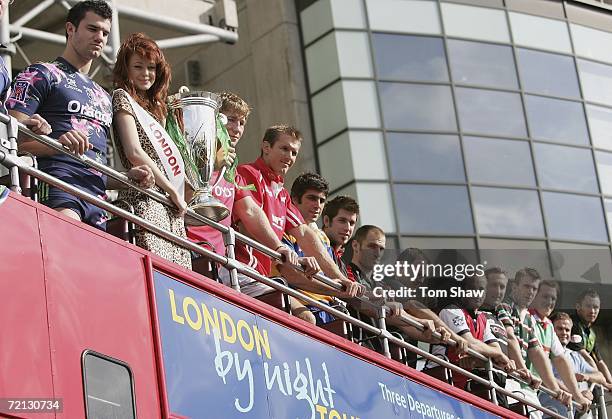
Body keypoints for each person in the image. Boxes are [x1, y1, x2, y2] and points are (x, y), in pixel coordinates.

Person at [8, 0, 154, 229]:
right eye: (92, 29)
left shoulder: (105, 97)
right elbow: (8, 139)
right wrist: (55, 144)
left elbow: (95, 168)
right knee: (65, 248)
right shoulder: (40, 73)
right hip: (56, 188)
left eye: (105, 33)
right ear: (70, 29)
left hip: (98, 202)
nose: (100, 38)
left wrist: (126, 179)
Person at [233, 125, 363, 303]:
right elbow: (248, 218)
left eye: (294, 153)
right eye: (284, 149)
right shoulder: (247, 173)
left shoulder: (282, 194)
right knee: (303, 317)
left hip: (261, 276)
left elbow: (304, 233)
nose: (289, 157)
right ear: (266, 147)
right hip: (240, 269)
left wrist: (340, 278)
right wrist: (280, 248)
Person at [111, 32, 191, 268]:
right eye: (138, 66)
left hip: (171, 209)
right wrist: (171, 190)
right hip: (146, 198)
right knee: (155, 271)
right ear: (125, 68)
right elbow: (134, 152)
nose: (146, 74)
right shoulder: (121, 98)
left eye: (151, 67)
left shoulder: (159, 109)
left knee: (178, 281)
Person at [347, 225, 451, 345]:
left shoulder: (382, 285)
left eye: (381, 249)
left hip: (379, 354)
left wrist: (433, 335)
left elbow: (401, 322)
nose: (377, 253)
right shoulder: (347, 273)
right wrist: (419, 321)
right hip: (355, 349)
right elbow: (365, 304)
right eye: (372, 246)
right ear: (355, 246)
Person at [500, 268, 573, 418]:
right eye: (527, 286)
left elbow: (537, 353)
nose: (531, 292)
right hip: (507, 379)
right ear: (514, 287)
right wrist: (523, 370)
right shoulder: (504, 306)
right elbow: (510, 338)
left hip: (525, 386)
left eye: (534, 288)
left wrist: (555, 390)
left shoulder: (527, 317)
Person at [424, 275, 514, 392]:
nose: (477, 294)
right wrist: (499, 355)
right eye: (473, 289)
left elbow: (495, 349)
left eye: (481, 290)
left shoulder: (483, 318)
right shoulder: (451, 310)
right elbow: (470, 344)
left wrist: (487, 357)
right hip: (436, 379)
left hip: (458, 386)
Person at [529, 280, 592, 413]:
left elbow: (561, 361)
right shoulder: (527, 317)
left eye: (553, 298)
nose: (550, 301)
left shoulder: (548, 325)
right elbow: (539, 359)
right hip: (523, 387)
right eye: (545, 296)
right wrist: (562, 391)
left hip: (534, 392)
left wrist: (577, 395)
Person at [538, 312, 607, 417]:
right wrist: (578, 394)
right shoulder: (544, 352)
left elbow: (601, 377)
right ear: (551, 330)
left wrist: (586, 376)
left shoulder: (575, 356)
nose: (564, 333)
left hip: (574, 413)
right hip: (550, 413)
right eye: (560, 329)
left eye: (567, 330)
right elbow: (545, 377)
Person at [567, 289, 612, 388]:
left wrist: (610, 383)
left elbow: (599, 361)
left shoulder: (591, 333)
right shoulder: (572, 324)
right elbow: (585, 356)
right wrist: (602, 381)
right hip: (568, 377)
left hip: (582, 377)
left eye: (596, 307)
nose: (592, 311)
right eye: (588, 306)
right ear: (578, 306)